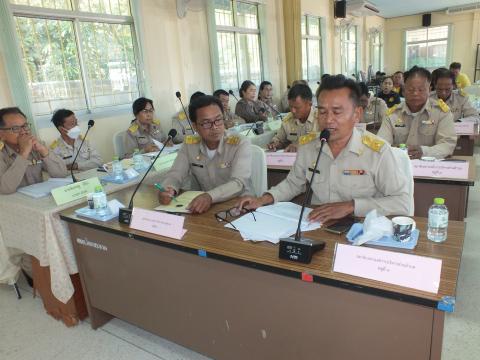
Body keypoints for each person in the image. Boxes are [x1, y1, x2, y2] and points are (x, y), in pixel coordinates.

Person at [237, 75, 410, 223]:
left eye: (337, 112)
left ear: (356, 114)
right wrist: (263, 199)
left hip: (362, 228)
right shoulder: (309, 146)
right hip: (317, 225)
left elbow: (402, 202)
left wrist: (352, 206)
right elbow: (293, 184)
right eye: (322, 112)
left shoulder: (378, 151)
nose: (328, 120)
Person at [157, 95, 253, 214]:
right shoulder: (189, 145)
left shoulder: (240, 143)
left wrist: (210, 196)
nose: (215, 127)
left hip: (239, 206)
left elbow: (239, 183)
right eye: (206, 123)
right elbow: (176, 174)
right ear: (195, 126)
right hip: (204, 208)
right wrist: (168, 188)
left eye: (218, 120)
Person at [378, 66, 457, 159]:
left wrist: (424, 151)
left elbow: (447, 145)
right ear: (403, 91)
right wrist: (396, 151)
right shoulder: (392, 114)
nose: (415, 93)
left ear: (429, 90)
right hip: (399, 165)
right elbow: (381, 143)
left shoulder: (442, 113)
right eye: (411, 90)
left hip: (431, 167)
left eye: (421, 90)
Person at [0, 107, 68, 194]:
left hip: (38, 200)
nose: (24, 131)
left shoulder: (35, 145)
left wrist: (44, 151)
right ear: (1, 134)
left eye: (25, 126)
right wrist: (23, 153)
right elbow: (5, 189)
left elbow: (61, 174)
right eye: (15, 128)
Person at [267, 84, 317, 152]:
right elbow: (280, 139)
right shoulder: (288, 120)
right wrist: (275, 144)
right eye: (290, 106)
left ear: (309, 104)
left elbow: (326, 143)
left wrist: (300, 145)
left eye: (297, 107)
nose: (293, 111)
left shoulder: (321, 119)